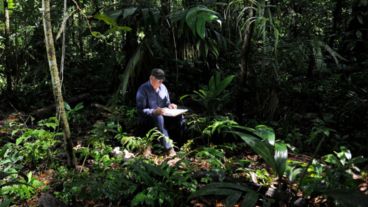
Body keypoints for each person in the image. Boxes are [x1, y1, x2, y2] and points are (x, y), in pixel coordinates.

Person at [136, 68, 184, 157]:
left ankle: (179, 145)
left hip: (163, 114)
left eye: (162, 80)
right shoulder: (143, 89)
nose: (160, 83)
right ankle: (169, 149)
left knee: (180, 116)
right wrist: (154, 111)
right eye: (159, 80)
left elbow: (167, 103)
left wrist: (170, 105)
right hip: (148, 118)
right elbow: (140, 110)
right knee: (158, 117)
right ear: (151, 78)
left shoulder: (163, 87)